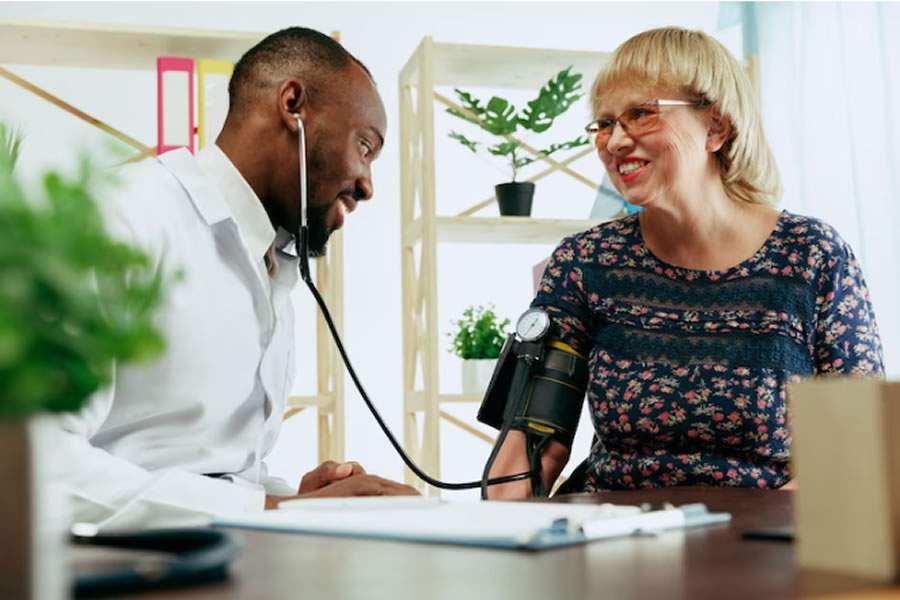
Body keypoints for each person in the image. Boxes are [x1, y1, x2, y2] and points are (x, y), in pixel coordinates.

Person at [488, 27, 884, 498]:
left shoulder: (811, 254)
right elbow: (533, 443)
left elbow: (855, 443)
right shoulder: (584, 263)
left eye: (641, 114)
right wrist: (498, 526)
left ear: (715, 128)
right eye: (605, 124)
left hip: (764, 528)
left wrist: (754, 532)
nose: (615, 141)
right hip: (612, 528)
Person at [51, 27, 416, 531]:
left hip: (218, 556)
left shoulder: (274, 266)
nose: (368, 185)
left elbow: (219, 478)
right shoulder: (119, 215)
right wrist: (277, 512)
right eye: (365, 146)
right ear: (293, 105)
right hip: (115, 564)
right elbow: (41, 468)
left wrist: (294, 500)